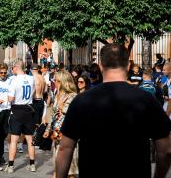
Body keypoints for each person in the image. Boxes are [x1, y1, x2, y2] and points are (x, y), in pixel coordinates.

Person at [56, 43, 171, 178]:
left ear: (100, 66)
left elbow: (65, 148)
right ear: (128, 66)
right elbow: (165, 149)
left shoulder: (81, 101)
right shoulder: (147, 100)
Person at [44, 70, 77, 178]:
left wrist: (62, 107)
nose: (54, 83)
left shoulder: (72, 96)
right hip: (57, 135)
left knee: (70, 169)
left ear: (63, 82)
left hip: (68, 136)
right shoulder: (57, 95)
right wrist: (48, 129)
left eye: (56, 81)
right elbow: (54, 115)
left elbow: (73, 114)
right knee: (58, 166)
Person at [5, 60, 36, 173]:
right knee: (29, 138)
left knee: (14, 139)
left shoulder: (14, 80)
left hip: (17, 109)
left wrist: (8, 97)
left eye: (12, 67)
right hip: (28, 108)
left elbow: (11, 98)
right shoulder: (31, 78)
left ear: (16, 67)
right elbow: (33, 92)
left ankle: (11, 166)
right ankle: (32, 164)